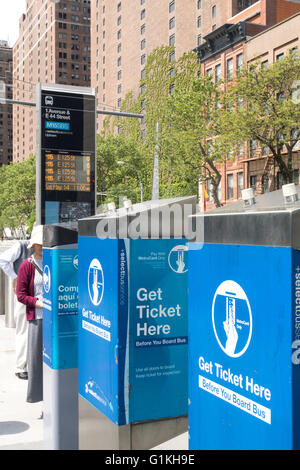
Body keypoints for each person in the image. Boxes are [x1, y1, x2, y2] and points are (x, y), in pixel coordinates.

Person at [17, 225, 44, 414]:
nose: (42, 247)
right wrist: (36, 302)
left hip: (56, 319)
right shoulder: (27, 265)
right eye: (39, 244)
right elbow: (21, 295)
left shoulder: (55, 261)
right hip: (37, 319)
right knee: (36, 361)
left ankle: (54, 399)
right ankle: (42, 401)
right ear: (33, 245)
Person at [0, 238, 33, 379]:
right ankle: (21, 366)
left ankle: (31, 364)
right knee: (23, 330)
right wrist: (16, 277)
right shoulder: (22, 246)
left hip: (39, 296)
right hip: (24, 294)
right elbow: (3, 259)